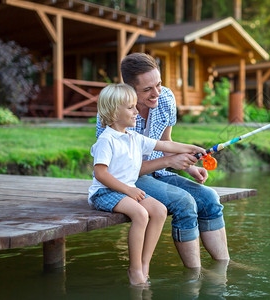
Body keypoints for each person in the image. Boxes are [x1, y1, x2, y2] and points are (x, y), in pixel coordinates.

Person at [96, 53, 230, 269]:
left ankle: (224, 266)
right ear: (129, 89)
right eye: (147, 89)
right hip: (128, 179)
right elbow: (119, 169)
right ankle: (195, 274)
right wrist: (172, 161)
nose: (156, 93)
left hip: (158, 172)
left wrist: (189, 166)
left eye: (158, 84)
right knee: (184, 203)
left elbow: (166, 142)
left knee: (209, 198)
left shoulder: (165, 98)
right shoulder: (114, 113)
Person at [89, 83, 206, 285]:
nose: (137, 112)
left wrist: (193, 147)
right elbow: (100, 173)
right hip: (106, 192)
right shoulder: (107, 140)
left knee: (159, 210)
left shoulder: (134, 137)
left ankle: (145, 265)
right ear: (114, 111)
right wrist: (128, 189)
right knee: (141, 214)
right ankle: (134, 270)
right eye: (131, 108)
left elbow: (165, 145)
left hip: (127, 191)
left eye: (135, 106)